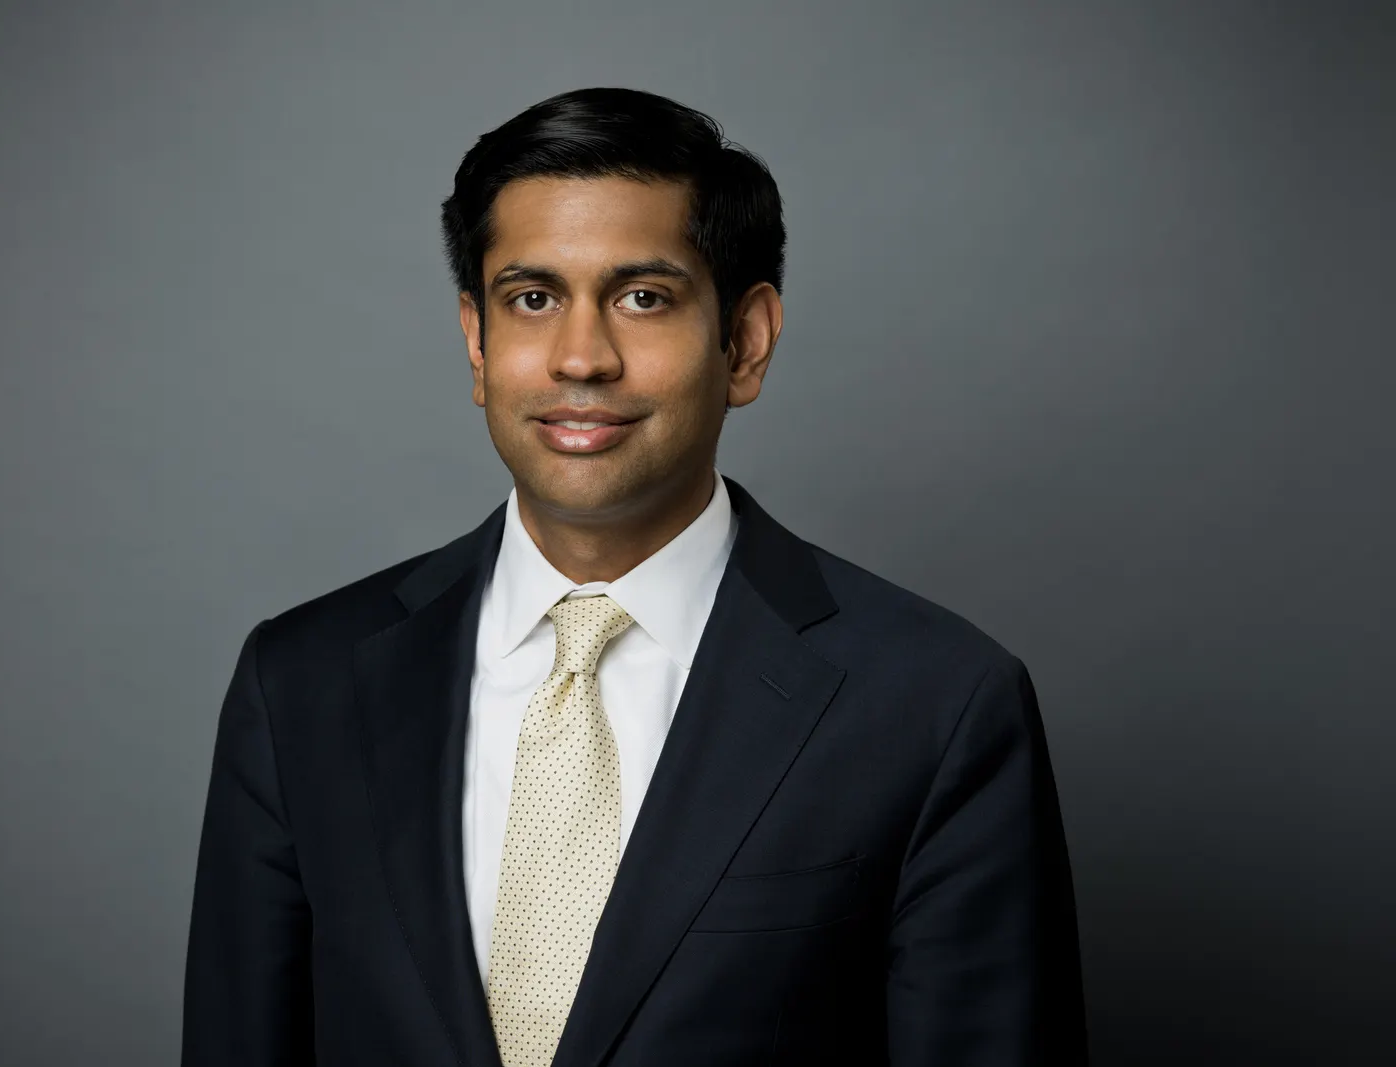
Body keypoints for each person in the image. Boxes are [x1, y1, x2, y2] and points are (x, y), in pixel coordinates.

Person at [181, 86, 1088, 1066]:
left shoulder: (936, 701)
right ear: (477, 342)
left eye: (642, 297)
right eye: (532, 298)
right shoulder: (300, 681)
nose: (581, 357)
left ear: (744, 341)